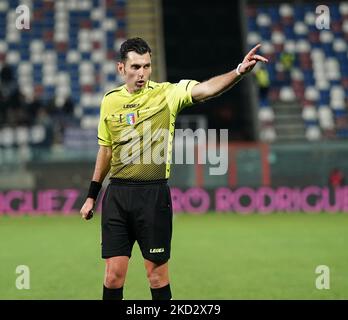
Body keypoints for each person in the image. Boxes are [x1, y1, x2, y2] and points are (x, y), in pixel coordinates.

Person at [79, 37, 268, 300]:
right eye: (135, 67)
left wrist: (238, 72)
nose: (142, 73)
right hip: (117, 196)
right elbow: (106, 150)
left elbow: (207, 89)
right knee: (113, 276)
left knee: (156, 276)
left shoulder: (167, 94)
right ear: (121, 68)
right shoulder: (109, 101)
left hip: (153, 196)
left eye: (146, 66)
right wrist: (92, 195)